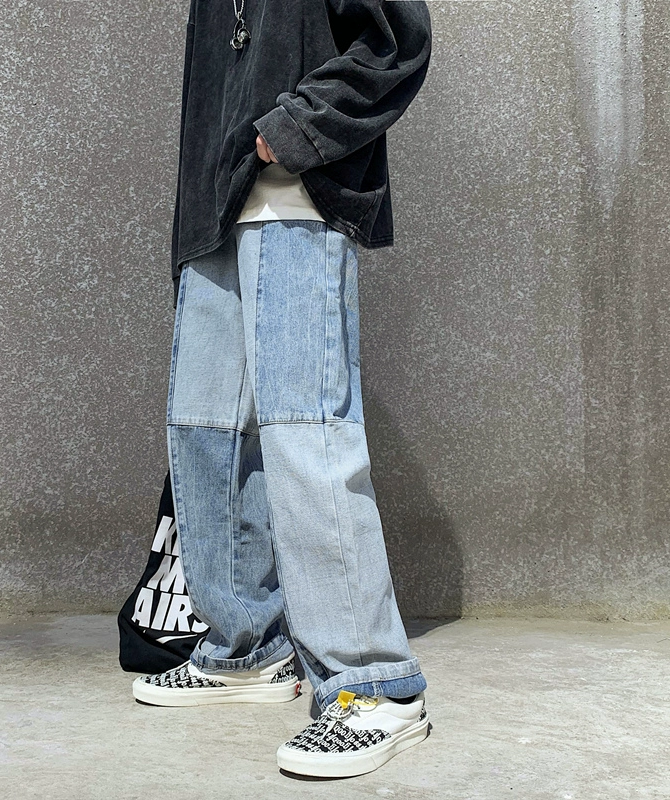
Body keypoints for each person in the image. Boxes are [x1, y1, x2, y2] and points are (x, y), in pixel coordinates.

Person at [132, 0, 433, 779]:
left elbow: (397, 40)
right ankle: (246, 648)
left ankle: (374, 685)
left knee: (307, 434)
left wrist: (295, 129)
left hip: (298, 203)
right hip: (213, 211)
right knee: (204, 433)